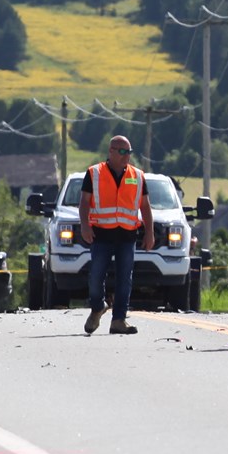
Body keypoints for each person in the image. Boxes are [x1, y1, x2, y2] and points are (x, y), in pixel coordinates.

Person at [80, 135, 154, 334]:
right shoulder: (94, 173)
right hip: (101, 235)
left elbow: (145, 206)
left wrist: (149, 233)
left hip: (127, 236)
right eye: (122, 152)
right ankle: (97, 307)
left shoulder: (137, 175)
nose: (126, 156)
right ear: (111, 151)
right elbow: (85, 201)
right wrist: (85, 226)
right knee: (96, 277)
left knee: (124, 279)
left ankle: (118, 320)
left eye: (129, 152)